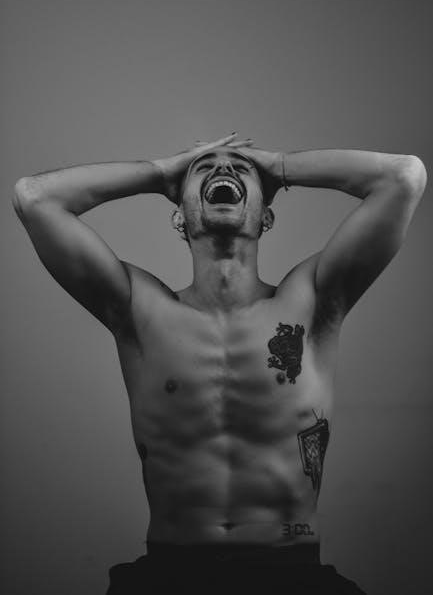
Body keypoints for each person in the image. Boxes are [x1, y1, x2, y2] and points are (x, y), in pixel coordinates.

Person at [13, 133, 427, 594]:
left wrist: (279, 167)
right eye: (205, 168)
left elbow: (402, 177)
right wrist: (162, 172)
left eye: (240, 168)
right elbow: (35, 198)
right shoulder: (138, 308)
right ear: (179, 215)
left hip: (292, 573)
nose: (224, 170)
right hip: (170, 575)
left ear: (266, 215)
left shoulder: (312, 301)